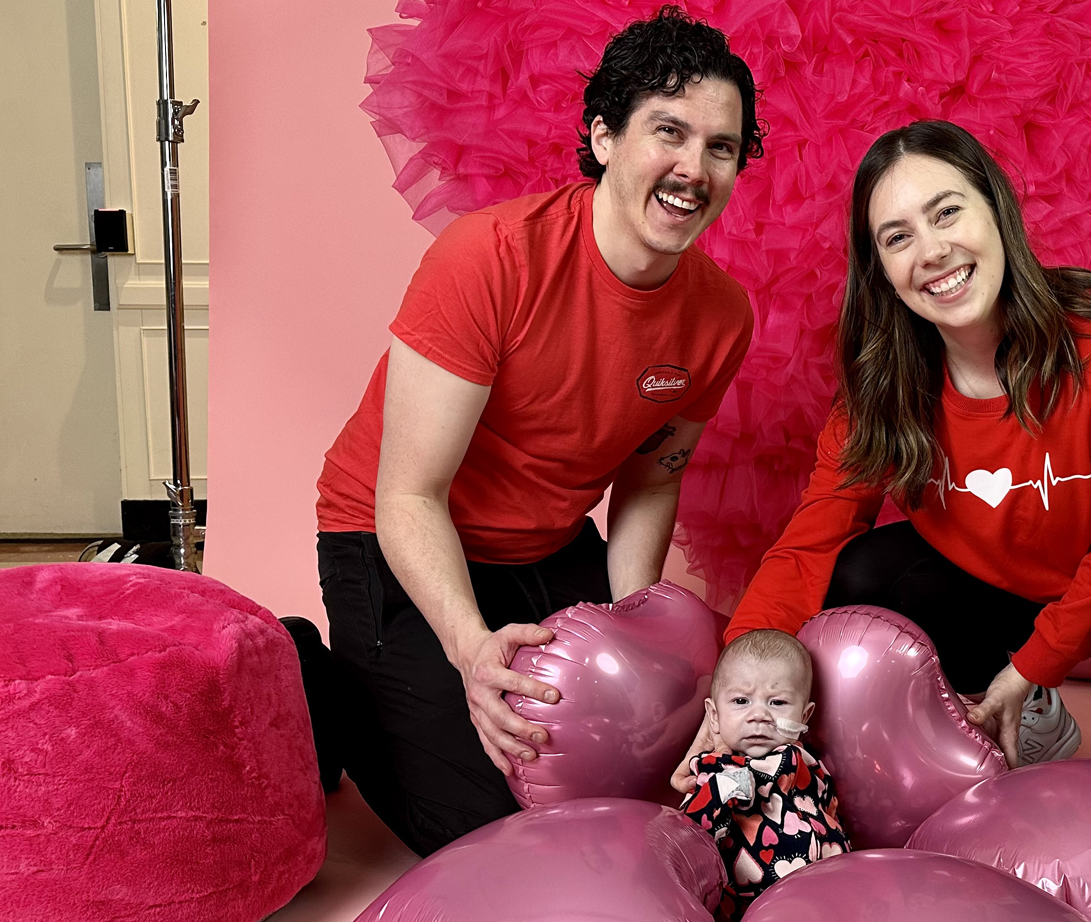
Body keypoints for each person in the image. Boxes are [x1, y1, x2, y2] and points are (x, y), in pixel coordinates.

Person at [311, 7, 761, 855]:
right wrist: (472, 650)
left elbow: (650, 479)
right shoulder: (489, 259)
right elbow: (408, 494)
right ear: (602, 138)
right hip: (393, 535)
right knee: (492, 829)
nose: (693, 168)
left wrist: (640, 636)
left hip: (546, 543)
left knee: (639, 766)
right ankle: (328, 684)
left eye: (721, 147)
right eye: (668, 132)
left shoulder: (721, 317)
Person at [724, 120, 1091, 779]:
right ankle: (1036, 714)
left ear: (997, 209)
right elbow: (813, 538)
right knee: (862, 577)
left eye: (948, 212)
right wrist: (737, 685)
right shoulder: (884, 383)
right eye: (898, 238)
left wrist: (1030, 665)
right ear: (881, 272)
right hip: (1020, 591)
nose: (931, 251)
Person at [676, 630, 848, 919]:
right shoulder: (714, 769)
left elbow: (830, 807)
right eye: (741, 701)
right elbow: (687, 832)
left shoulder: (807, 762)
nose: (759, 715)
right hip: (753, 905)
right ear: (715, 717)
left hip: (828, 895)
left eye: (777, 703)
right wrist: (723, 788)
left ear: (803, 718)